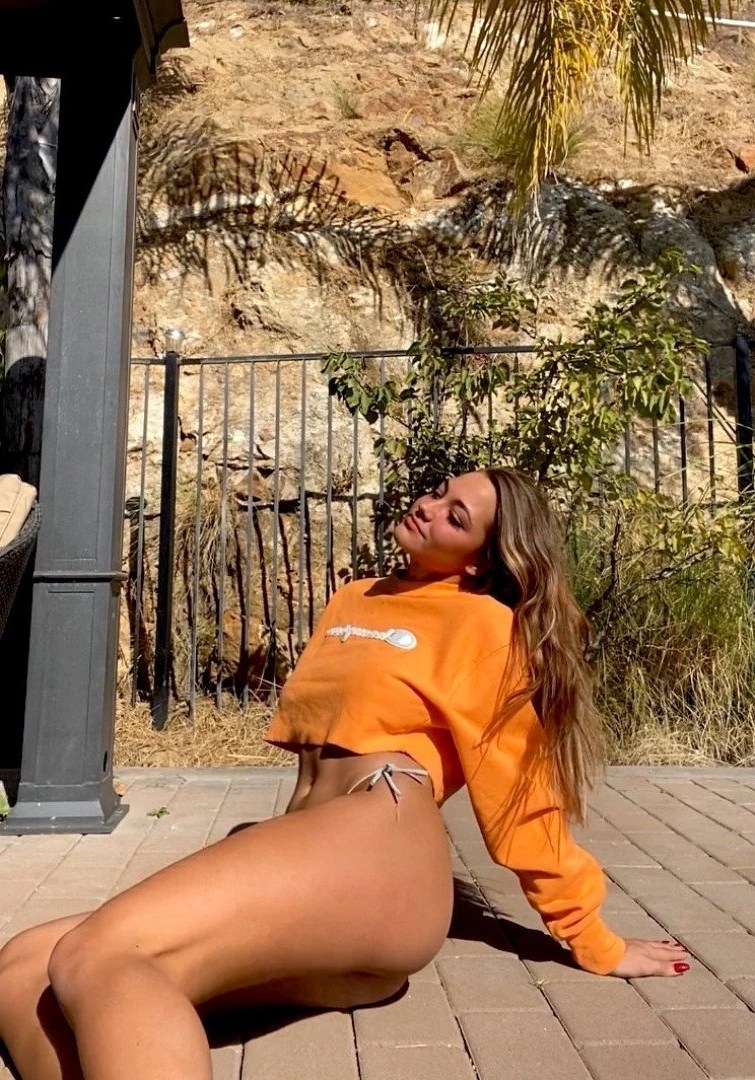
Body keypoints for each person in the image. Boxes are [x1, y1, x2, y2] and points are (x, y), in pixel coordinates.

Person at [0, 468, 689, 1080]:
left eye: (456, 518)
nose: (429, 507)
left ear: (480, 560)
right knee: (25, 967)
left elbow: (520, 794)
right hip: (324, 863)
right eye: (438, 493)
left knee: (104, 951)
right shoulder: (357, 597)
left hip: (381, 842)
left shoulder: (483, 626)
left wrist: (591, 936)